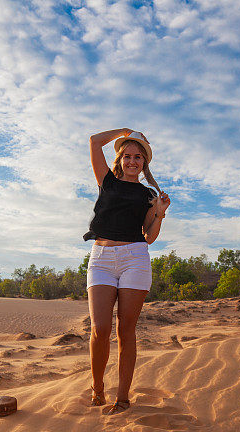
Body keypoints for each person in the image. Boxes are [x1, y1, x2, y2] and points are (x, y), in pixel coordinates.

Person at [84, 128, 171, 415]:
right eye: (127, 156)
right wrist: (124, 131)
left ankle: (122, 398)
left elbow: (149, 236)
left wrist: (159, 212)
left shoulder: (148, 194)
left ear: (144, 163)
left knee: (125, 330)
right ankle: (97, 389)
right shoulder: (106, 181)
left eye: (138, 157)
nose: (132, 161)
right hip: (102, 258)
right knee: (100, 329)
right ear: (120, 159)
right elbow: (94, 142)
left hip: (135, 257)